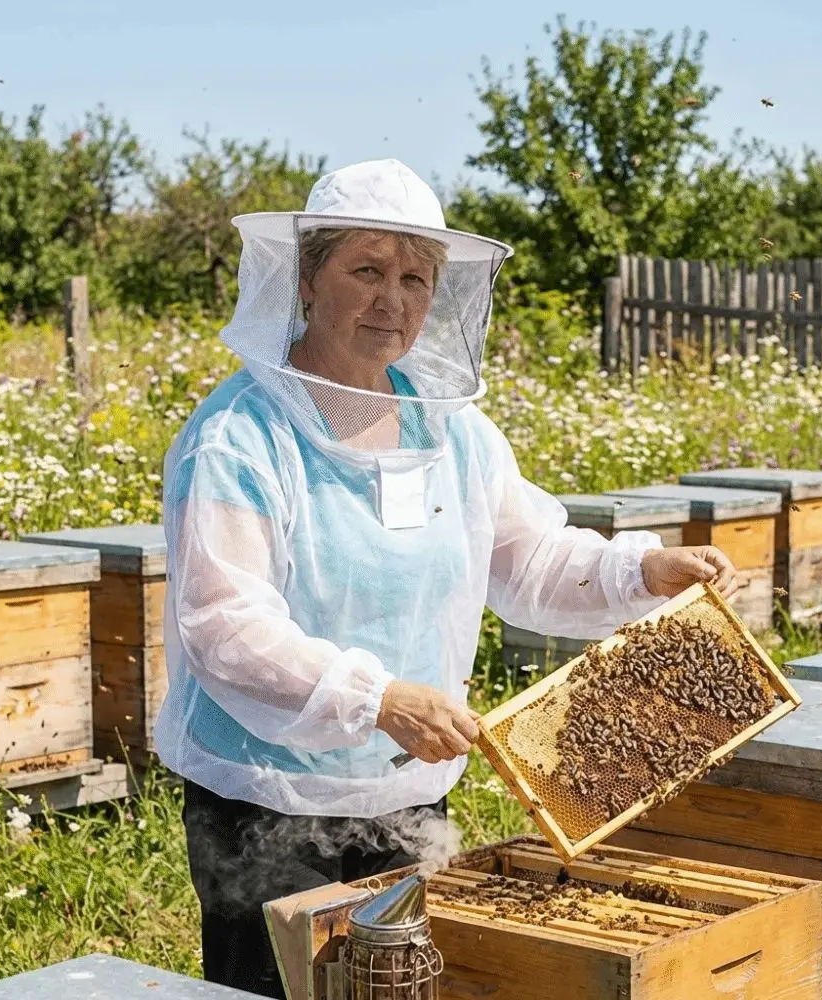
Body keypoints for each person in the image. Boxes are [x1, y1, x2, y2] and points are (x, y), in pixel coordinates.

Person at [154, 158, 738, 998]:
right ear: (308, 281)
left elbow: (531, 557)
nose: (392, 298)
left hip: (407, 788)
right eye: (366, 269)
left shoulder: (453, 433)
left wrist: (640, 569)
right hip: (268, 795)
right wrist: (379, 700)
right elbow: (225, 625)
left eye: (415, 278)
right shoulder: (242, 437)